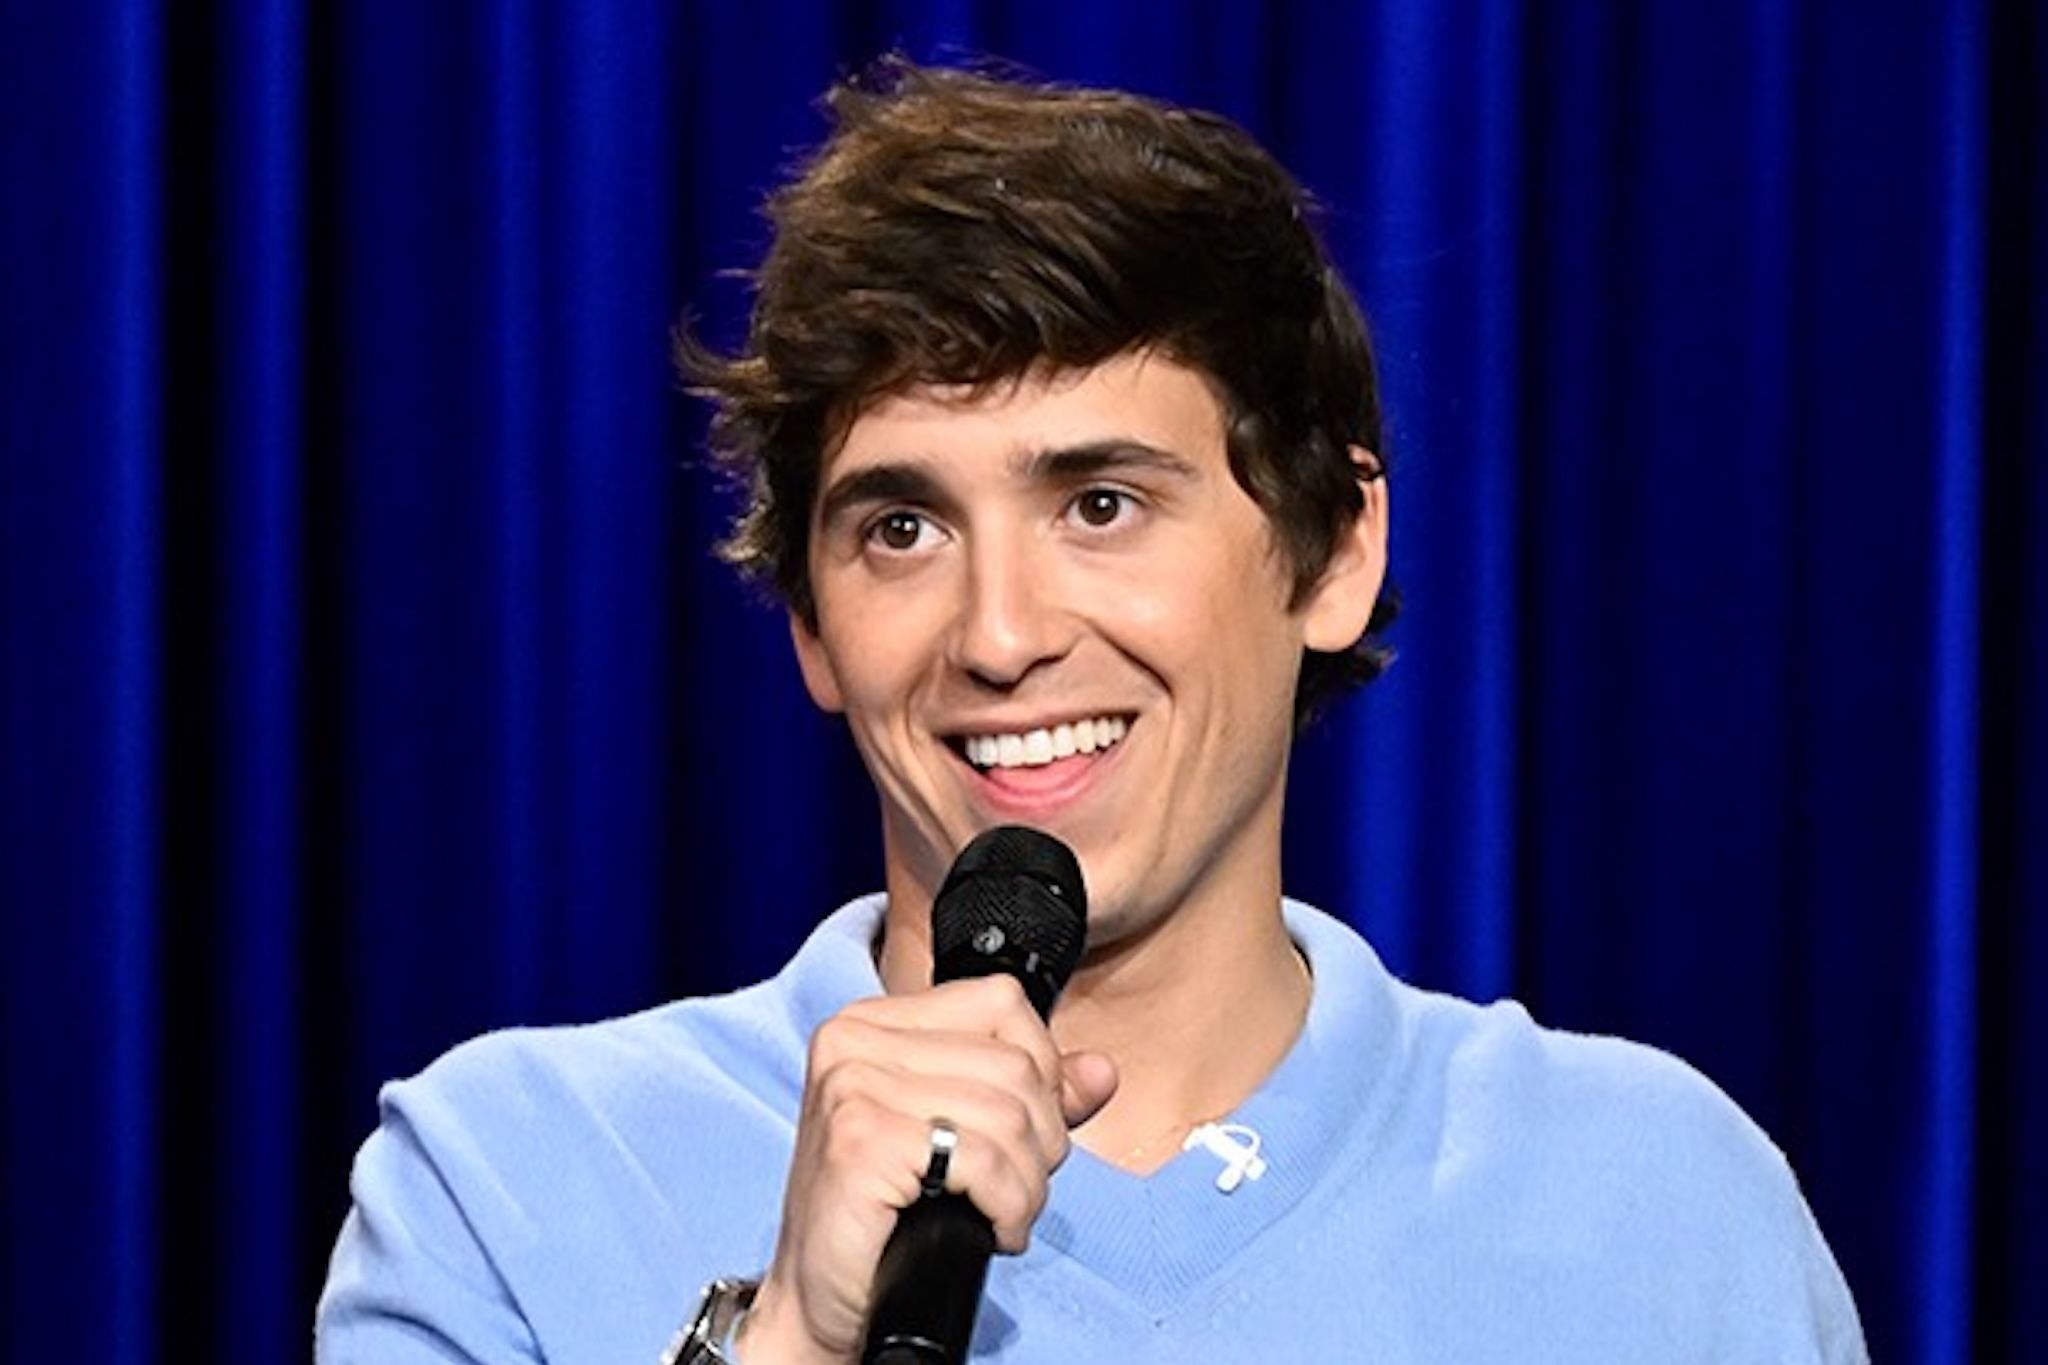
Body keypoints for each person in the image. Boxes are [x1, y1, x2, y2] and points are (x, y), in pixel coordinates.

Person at [317, 59, 1866, 1363]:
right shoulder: (504, 1188)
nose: (1000, 636)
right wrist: (790, 1338)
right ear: (809, 621)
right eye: (902, 528)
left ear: (1335, 551)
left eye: (1103, 503)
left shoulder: (1666, 1209)